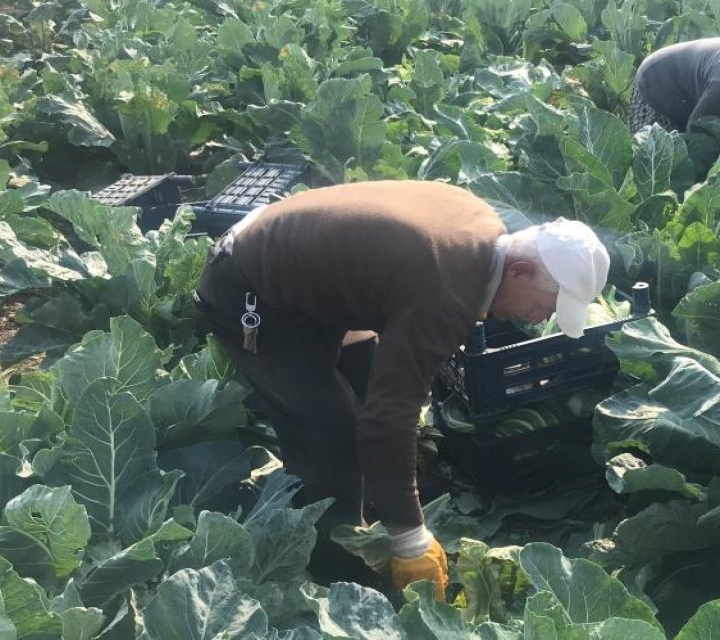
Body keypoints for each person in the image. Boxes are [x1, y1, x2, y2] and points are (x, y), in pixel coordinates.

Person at [192, 180, 610, 599]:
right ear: (519, 271)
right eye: (545, 306)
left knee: (366, 380)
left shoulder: (485, 232)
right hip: (251, 290)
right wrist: (411, 542)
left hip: (304, 274)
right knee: (330, 434)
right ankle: (337, 572)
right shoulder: (445, 292)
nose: (537, 319)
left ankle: (379, 506)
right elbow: (389, 418)